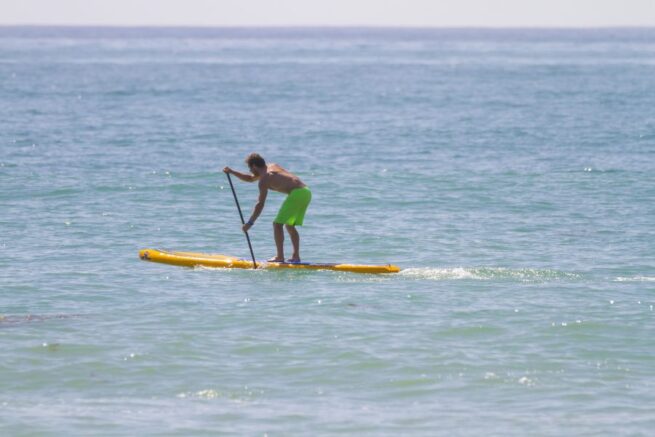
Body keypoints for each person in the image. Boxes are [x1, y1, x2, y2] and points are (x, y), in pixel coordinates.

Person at [223, 153, 311, 263]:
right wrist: (231, 172)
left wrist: (250, 223)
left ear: (254, 166)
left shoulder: (264, 179)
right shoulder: (272, 166)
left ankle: (280, 257)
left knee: (277, 224)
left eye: (250, 168)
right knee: (289, 225)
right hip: (306, 192)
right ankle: (296, 257)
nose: (250, 171)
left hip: (297, 194)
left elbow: (260, 204)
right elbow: (250, 178)